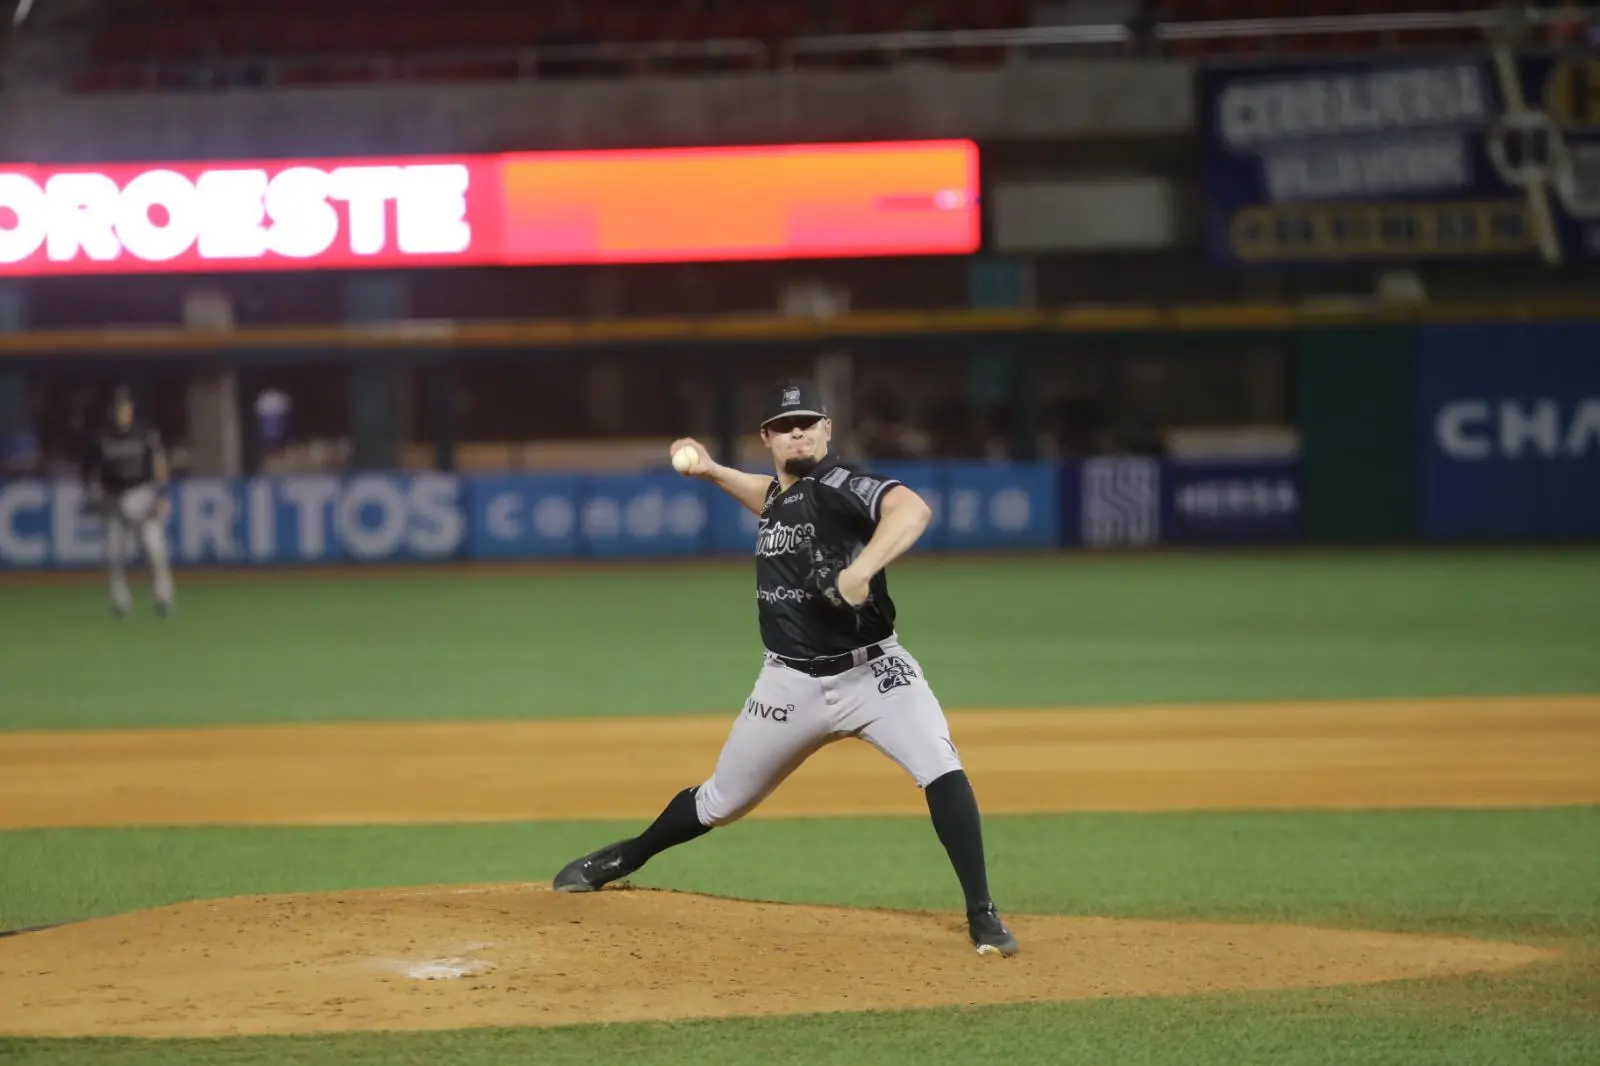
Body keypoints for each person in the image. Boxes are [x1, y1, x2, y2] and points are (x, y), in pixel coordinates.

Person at [551, 380, 1019, 956]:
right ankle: (626, 855)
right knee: (721, 801)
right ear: (768, 439)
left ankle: (983, 913)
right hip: (790, 682)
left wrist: (863, 568)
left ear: (826, 430)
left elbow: (911, 508)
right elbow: (767, 496)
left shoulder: (843, 484)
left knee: (941, 768)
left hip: (876, 674)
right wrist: (715, 472)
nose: (797, 431)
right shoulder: (783, 493)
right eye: (784, 425)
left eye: (808, 422)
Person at [80, 385, 175, 618]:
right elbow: (87, 472)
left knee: (155, 550)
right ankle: (120, 602)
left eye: (124, 407)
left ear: (131, 409)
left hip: (143, 494)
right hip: (113, 497)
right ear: (110, 411)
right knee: (113, 554)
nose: (121, 412)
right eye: (117, 408)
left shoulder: (145, 434)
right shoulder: (101, 439)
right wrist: (93, 495)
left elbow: (159, 464)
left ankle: (163, 598)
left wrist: (163, 495)